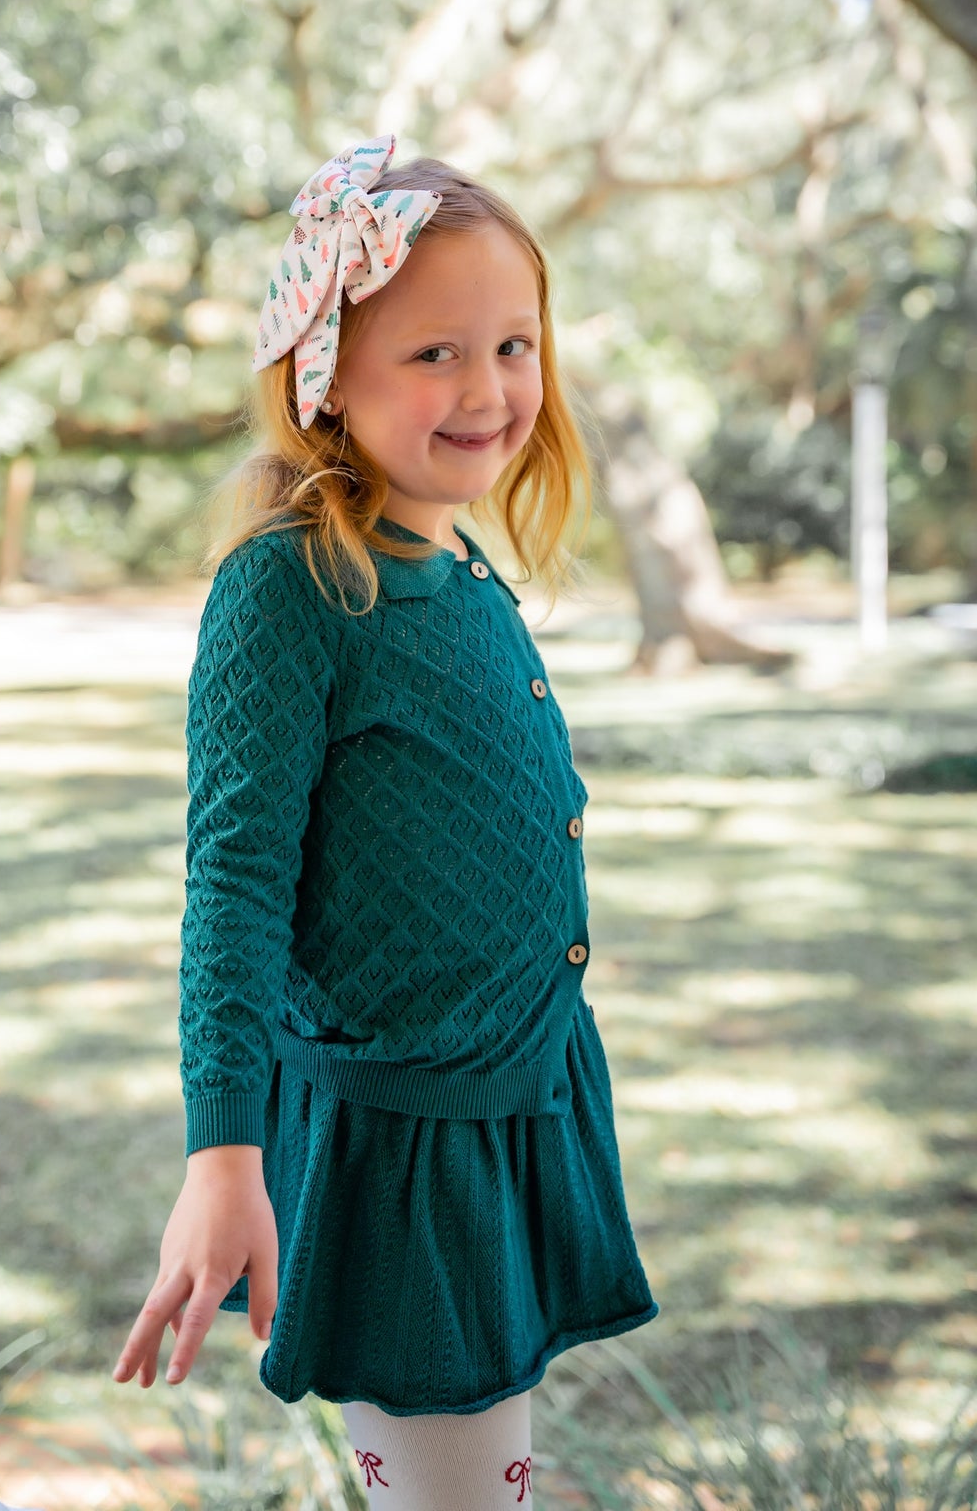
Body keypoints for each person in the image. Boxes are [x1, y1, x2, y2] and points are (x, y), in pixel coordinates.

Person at [112, 134, 660, 1508]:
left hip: (507, 1106)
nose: (490, 390)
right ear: (323, 374)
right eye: (436, 355)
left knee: (490, 1476)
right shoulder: (289, 590)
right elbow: (234, 888)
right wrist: (223, 1153)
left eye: (515, 345)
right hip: (400, 1149)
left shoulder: (453, 557)